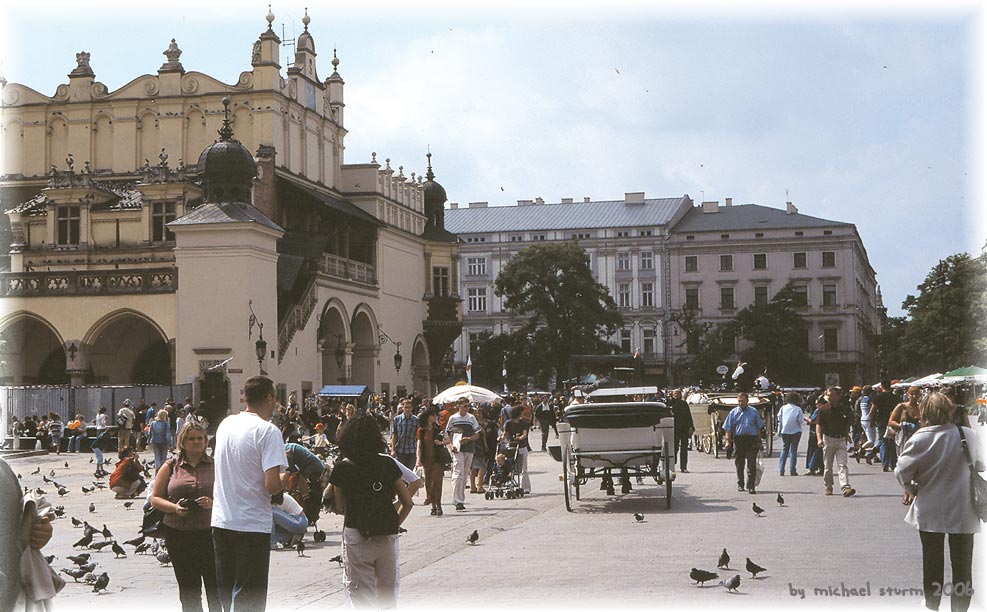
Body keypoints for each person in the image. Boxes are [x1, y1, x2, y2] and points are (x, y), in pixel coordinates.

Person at [896, 392, 982, 612]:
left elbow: (901, 472)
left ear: (924, 411)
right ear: (950, 409)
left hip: (930, 509)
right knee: (963, 567)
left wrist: (911, 488)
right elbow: (980, 464)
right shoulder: (968, 435)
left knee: (932, 562)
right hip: (964, 508)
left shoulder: (920, 438)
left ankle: (932, 606)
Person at [211, 376, 288, 612]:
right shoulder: (268, 431)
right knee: (249, 597)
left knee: (226, 592)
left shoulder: (226, 424)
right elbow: (272, 485)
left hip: (222, 520)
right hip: (251, 524)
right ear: (269, 398)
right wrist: (287, 480)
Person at [328, 413, 414, 609]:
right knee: (387, 594)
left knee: (362, 597)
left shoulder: (342, 468)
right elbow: (407, 502)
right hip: (386, 535)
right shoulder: (387, 463)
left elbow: (341, 507)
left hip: (357, 535)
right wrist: (394, 523)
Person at [150, 421, 220, 612]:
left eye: (200, 438)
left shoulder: (217, 465)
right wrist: (175, 507)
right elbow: (155, 498)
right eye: (191, 438)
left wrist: (213, 503)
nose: (196, 442)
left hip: (211, 534)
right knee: (189, 588)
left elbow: (230, 496)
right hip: (178, 534)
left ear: (206, 441)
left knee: (215, 587)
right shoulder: (170, 466)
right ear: (183, 441)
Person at [722, 391, 764, 494]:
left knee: (751, 463)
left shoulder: (754, 412)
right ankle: (740, 484)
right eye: (739, 401)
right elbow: (728, 428)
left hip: (752, 439)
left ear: (747, 401)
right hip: (739, 439)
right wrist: (728, 441)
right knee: (739, 463)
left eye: (743, 401)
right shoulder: (733, 412)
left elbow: (759, 427)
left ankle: (751, 486)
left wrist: (759, 441)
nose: (741, 403)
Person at [816, 387, 856, 497]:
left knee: (842, 465)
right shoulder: (823, 409)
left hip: (841, 440)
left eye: (831, 395)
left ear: (838, 396)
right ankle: (828, 486)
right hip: (828, 439)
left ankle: (845, 487)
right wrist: (819, 439)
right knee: (828, 466)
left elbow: (847, 423)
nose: (829, 397)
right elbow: (818, 425)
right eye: (828, 395)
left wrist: (847, 434)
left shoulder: (845, 409)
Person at [445, 398, 481, 511]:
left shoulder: (471, 418)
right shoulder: (453, 418)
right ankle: (457, 500)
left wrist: (469, 439)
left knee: (465, 474)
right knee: (458, 473)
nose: (466, 408)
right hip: (457, 449)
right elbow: (447, 434)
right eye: (464, 406)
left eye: (467, 406)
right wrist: (451, 445)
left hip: (468, 448)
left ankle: (461, 498)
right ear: (458, 406)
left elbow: (477, 434)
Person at [284, 442, 327, 525]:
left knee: (304, 494)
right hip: (314, 468)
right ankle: (310, 516)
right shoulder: (286, 448)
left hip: (313, 469)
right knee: (307, 493)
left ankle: (308, 517)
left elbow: (291, 471)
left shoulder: (285, 451)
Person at [416, 406, 448, 516]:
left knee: (437, 482)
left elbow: (447, 440)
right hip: (426, 460)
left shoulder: (438, 429)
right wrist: (418, 460)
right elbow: (419, 445)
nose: (435, 417)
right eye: (433, 415)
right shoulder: (422, 430)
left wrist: (441, 443)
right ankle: (433, 505)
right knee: (429, 483)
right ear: (428, 417)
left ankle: (438, 505)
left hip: (437, 460)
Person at [501, 405, 532, 494]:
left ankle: (525, 487)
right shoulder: (508, 423)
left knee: (523, 468)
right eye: (522, 412)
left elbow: (524, 434)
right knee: (510, 466)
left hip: (521, 446)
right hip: (511, 446)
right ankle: (509, 484)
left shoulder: (523, 423)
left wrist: (521, 438)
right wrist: (503, 439)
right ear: (519, 413)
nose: (523, 414)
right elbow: (505, 434)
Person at [889, 386, 922, 462]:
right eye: (912, 394)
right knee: (904, 459)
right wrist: (902, 426)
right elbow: (891, 421)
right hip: (903, 438)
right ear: (908, 395)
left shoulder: (921, 407)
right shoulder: (901, 406)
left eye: (916, 394)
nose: (914, 396)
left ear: (919, 395)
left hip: (917, 437)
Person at [871, 379, 899, 470]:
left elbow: (872, 410)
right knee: (892, 442)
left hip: (881, 421)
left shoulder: (878, 397)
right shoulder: (895, 397)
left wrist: (871, 420)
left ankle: (884, 463)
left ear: (882, 386)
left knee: (883, 441)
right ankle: (893, 463)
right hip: (893, 421)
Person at [777, 392, 805, 476]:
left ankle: (781, 469)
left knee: (784, 449)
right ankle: (792, 470)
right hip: (796, 431)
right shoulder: (798, 409)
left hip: (785, 431)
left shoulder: (783, 408)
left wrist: (779, 431)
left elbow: (780, 420)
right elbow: (801, 421)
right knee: (793, 450)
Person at [668, 389, 694, 473]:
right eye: (675, 393)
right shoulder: (670, 403)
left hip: (683, 428)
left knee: (684, 449)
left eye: (678, 393)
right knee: (674, 448)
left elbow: (688, 415)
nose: (676, 395)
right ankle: (673, 464)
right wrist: (670, 398)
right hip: (674, 429)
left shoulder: (684, 404)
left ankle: (683, 467)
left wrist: (691, 426)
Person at [390, 399, 419, 471]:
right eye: (406, 407)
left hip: (411, 450)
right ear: (402, 408)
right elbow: (394, 435)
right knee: (401, 472)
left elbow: (418, 437)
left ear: (412, 408)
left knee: (409, 473)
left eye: (409, 407)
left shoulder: (416, 420)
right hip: (400, 450)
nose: (408, 409)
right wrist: (393, 450)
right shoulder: (397, 419)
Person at [149, 408, 174, 473]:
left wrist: (149, 440)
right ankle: (162, 472)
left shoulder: (153, 423)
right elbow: (167, 434)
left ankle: (157, 471)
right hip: (164, 442)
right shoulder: (165, 424)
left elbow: (150, 433)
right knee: (163, 458)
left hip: (155, 441)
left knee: (157, 457)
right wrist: (170, 443)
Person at [91, 407, 111, 478]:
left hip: (98, 430)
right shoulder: (103, 416)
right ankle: (99, 470)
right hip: (102, 429)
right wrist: (105, 421)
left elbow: (97, 424)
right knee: (100, 456)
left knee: (100, 456)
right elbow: (103, 423)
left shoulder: (97, 415)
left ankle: (100, 469)